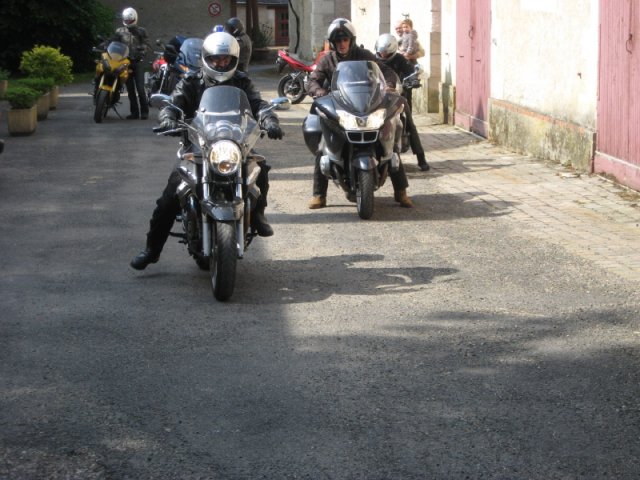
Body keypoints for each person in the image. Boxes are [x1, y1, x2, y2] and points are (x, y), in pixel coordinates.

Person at [130, 32, 284, 270]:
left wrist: (269, 119)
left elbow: (258, 104)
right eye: (215, 59)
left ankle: (258, 215)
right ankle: (152, 249)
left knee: (259, 170)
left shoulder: (242, 81)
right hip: (198, 146)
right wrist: (168, 116)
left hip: (234, 145)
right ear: (206, 58)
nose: (220, 64)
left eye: (225, 59)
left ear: (233, 60)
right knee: (170, 197)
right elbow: (174, 103)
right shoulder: (192, 80)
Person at [306, 18, 414, 209]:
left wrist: (389, 85)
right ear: (333, 43)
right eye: (338, 40)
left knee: (388, 143)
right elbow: (313, 80)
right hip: (340, 108)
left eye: (345, 39)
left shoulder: (364, 55)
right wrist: (319, 92)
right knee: (324, 147)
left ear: (351, 40)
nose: (342, 44)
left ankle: (401, 192)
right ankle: (319, 195)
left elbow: (385, 70)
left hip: (367, 105)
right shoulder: (327, 60)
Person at [375, 33, 430, 171]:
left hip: (397, 96)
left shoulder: (400, 59)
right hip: (377, 97)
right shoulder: (372, 60)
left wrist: (413, 79)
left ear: (393, 50)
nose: (383, 55)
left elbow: (410, 71)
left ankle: (421, 158)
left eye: (386, 53)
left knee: (409, 122)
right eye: (381, 52)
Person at [113, 7, 150, 119]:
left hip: (138, 62)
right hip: (125, 63)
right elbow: (113, 43)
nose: (128, 22)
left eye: (130, 20)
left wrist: (142, 50)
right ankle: (134, 113)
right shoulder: (119, 31)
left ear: (135, 18)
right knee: (130, 90)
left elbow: (147, 44)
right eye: (127, 20)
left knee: (140, 89)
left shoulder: (141, 31)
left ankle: (145, 112)